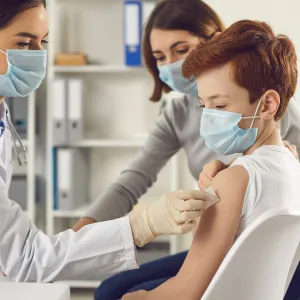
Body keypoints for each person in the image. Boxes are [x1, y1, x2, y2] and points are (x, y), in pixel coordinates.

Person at [92, 1, 300, 299]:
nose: (209, 118)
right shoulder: (288, 165)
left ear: (268, 104)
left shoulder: (234, 180)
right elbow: (132, 181)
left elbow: (187, 291)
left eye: (220, 106)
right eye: (204, 106)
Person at [0, 0, 215, 283]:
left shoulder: (262, 105)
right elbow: (130, 183)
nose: (40, 56)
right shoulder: (177, 113)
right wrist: (136, 226)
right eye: (25, 44)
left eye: (42, 42)